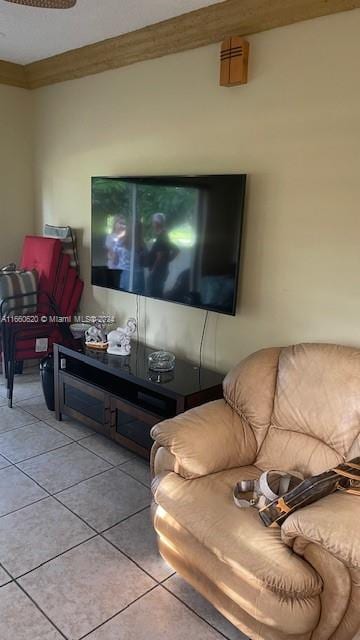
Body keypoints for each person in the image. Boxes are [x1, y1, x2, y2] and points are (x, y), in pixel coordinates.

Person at [147, 213, 179, 298]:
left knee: (154, 295)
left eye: (153, 222)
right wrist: (167, 260)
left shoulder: (162, 237)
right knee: (157, 293)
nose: (152, 225)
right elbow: (176, 250)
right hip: (161, 271)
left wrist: (153, 270)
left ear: (157, 223)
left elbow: (160, 256)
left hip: (157, 273)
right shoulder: (164, 236)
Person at [105, 216, 127, 289]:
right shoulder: (110, 237)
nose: (122, 226)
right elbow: (112, 255)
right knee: (114, 286)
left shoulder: (127, 237)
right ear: (115, 224)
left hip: (124, 268)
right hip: (113, 267)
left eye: (124, 224)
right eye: (120, 223)